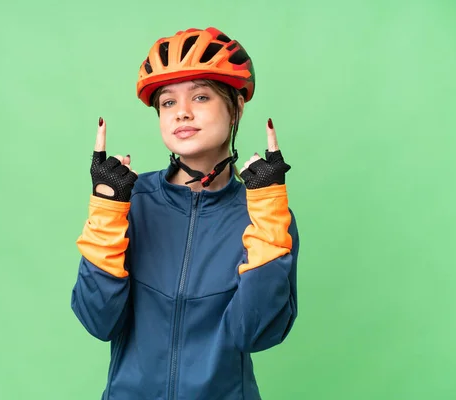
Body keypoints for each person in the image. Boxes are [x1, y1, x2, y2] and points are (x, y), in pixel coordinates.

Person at [71, 27, 300, 400]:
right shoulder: (131, 200)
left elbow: (257, 333)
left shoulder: (265, 211)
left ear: (236, 108)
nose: (183, 113)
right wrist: (107, 209)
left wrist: (268, 214)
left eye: (201, 96)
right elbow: (98, 320)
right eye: (168, 103)